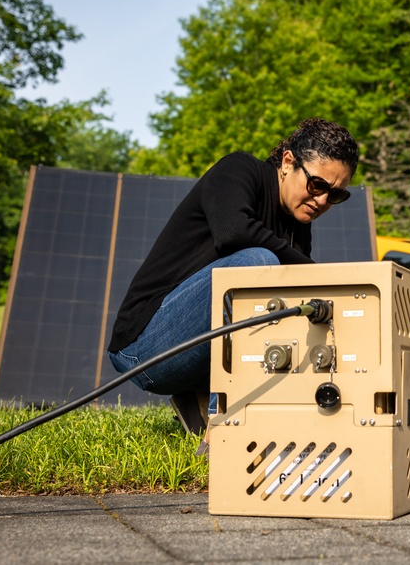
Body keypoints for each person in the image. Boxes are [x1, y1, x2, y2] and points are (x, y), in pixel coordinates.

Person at [107, 118, 359, 434]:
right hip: (142, 349)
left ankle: (200, 397)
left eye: (335, 195)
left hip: (192, 359)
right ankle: (224, 427)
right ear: (288, 162)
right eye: (317, 185)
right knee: (258, 262)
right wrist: (319, 274)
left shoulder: (298, 224)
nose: (322, 201)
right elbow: (233, 232)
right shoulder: (238, 170)